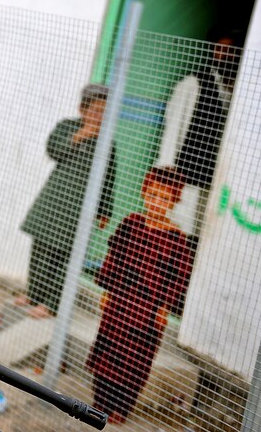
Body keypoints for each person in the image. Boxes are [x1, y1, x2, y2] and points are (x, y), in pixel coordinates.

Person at [86, 166, 192, 425]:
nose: (158, 203)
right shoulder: (131, 223)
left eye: (165, 198)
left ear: (174, 202)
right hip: (121, 300)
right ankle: (100, 403)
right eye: (153, 195)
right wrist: (106, 291)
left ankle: (122, 408)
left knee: (136, 358)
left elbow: (179, 278)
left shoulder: (177, 238)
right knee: (108, 348)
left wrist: (164, 307)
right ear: (145, 193)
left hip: (147, 309)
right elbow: (114, 258)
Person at [11, 83, 116, 322]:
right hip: (54, 201)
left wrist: (105, 210)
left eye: (105, 112)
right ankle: (34, 294)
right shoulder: (67, 127)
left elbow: (109, 178)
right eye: (96, 111)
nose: (100, 117)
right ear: (83, 109)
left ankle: (51, 304)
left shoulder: (107, 143)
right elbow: (53, 149)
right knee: (41, 248)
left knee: (65, 256)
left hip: (79, 210)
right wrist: (79, 136)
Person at [157, 27, 242, 240]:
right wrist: (166, 175)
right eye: (220, 50)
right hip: (187, 178)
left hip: (217, 181)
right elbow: (174, 131)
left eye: (230, 51)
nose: (225, 56)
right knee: (178, 233)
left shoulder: (239, 91)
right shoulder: (193, 85)